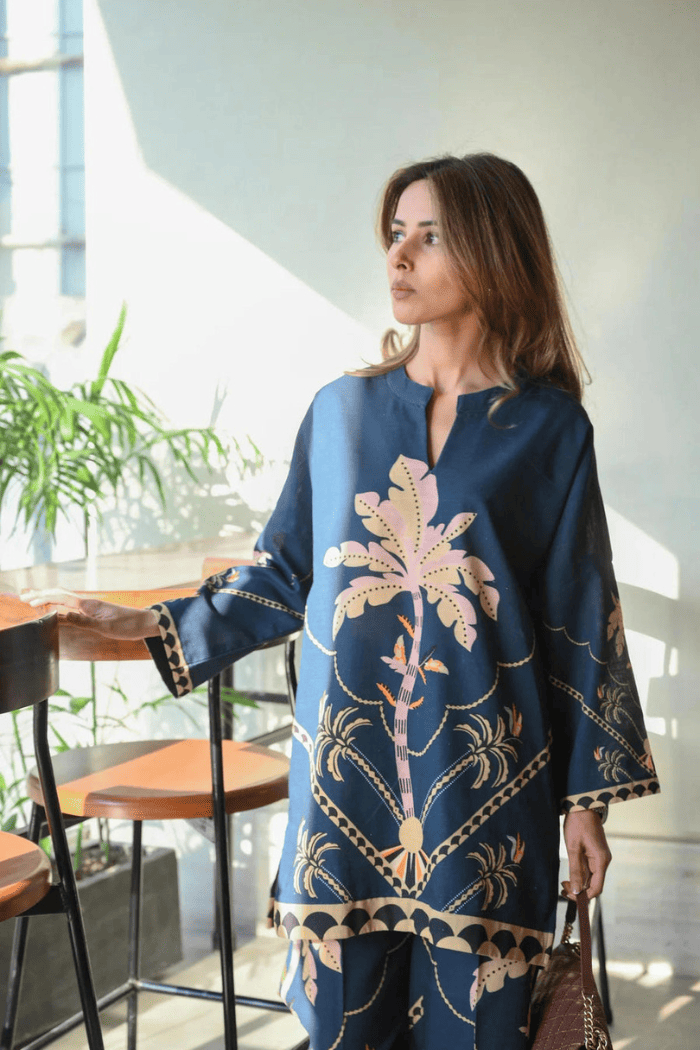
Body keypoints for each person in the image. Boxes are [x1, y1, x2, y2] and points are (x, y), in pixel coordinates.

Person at [25, 153, 659, 1050]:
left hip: (487, 795)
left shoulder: (548, 428)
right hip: (344, 791)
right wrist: (151, 625)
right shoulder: (340, 412)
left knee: (477, 1034)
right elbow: (285, 573)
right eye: (395, 233)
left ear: (492, 250)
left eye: (429, 235)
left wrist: (586, 803)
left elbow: (580, 613)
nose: (399, 256)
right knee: (341, 1032)